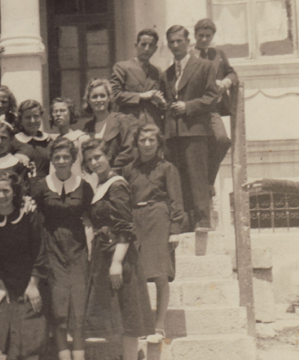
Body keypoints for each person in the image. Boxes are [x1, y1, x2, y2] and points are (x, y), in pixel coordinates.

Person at [81, 139, 153, 360]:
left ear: (108, 157)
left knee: (127, 316)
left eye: (98, 157)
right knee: (117, 316)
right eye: (89, 159)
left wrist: (117, 262)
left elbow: (125, 226)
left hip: (119, 255)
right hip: (105, 253)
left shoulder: (117, 184)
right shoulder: (101, 185)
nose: (94, 162)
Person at [31, 138, 93, 360]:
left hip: (77, 250)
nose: (61, 161)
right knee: (59, 309)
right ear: (52, 160)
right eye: (57, 157)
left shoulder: (84, 186)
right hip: (52, 248)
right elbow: (32, 213)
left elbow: (90, 216)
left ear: (73, 159)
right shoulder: (40, 185)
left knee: (78, 308)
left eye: (66, 157)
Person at [122, 124, 184, 344]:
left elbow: (176, 201)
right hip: (135, 220)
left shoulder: (167, 168)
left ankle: (158, 326)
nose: (147, 144)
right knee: (137, 274)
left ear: (158, 143)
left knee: (159, 274)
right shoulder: (129, 170)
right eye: (142, 140)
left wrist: (175, 230)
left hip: (158, 218)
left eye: (151, 140)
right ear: (136, 143)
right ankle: (142, 324)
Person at [0, 170, 47, 360]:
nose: (1, 196)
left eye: (6, 191)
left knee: (29, 344)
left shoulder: (29, 215)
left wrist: (34, 285)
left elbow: (40, 251)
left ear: (15, 192)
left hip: (28, 284)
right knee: (2, 340)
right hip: (3, 285)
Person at [160, 25, 219, 232]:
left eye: (179, 41)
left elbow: (212, 97)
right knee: (177, 179)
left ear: (188, 42)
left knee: (197, 176)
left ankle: (203, 220)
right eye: (172, 42)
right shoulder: (166, 74)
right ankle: (184, 222)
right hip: (173, 134)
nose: (176, 45)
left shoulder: (204, 66)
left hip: (195, 131)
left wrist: (188, 106)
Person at [192, 18, 237, 198]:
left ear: (213, 36)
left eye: (207, 36)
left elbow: (232, 73)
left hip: (213, 109)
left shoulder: (218, 54)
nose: (204, 39)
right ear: (195, 36)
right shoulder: (188, 56)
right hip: (194, 110)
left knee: (222, 140)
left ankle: (208, 181)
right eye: (200, 36)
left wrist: (225, 83)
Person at [110, 28, 166, 132]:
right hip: (130, 126)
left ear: (155, 49)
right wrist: (141, 96)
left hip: (153, 127)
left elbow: (161, 103)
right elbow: (115, 95)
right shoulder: (122, 67)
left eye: (151, 45)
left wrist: (162, 103)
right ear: (136, 46)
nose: (146, 49)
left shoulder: (157, 72)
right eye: (143, 44)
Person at [82, 79, 135, 172]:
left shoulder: (122, 121)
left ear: (109, 98)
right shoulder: (87, 127)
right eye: (94, 97)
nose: (99, 100)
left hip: (119, 174)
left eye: (102, 96)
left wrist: (110, 171)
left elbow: (129, 151)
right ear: (88, 101)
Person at [48, 98, 89, 183]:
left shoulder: (80, 138)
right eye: (55, 111)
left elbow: (88, 170)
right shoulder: (52, 140)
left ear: (71, 114)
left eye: (62, 111)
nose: (58, 114)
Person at [14, 100, 52, 183]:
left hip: (46, 188)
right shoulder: (13, 141)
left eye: (36, 116)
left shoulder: (48, 141)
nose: (32, 121)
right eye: (28, 117)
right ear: (20, 120)